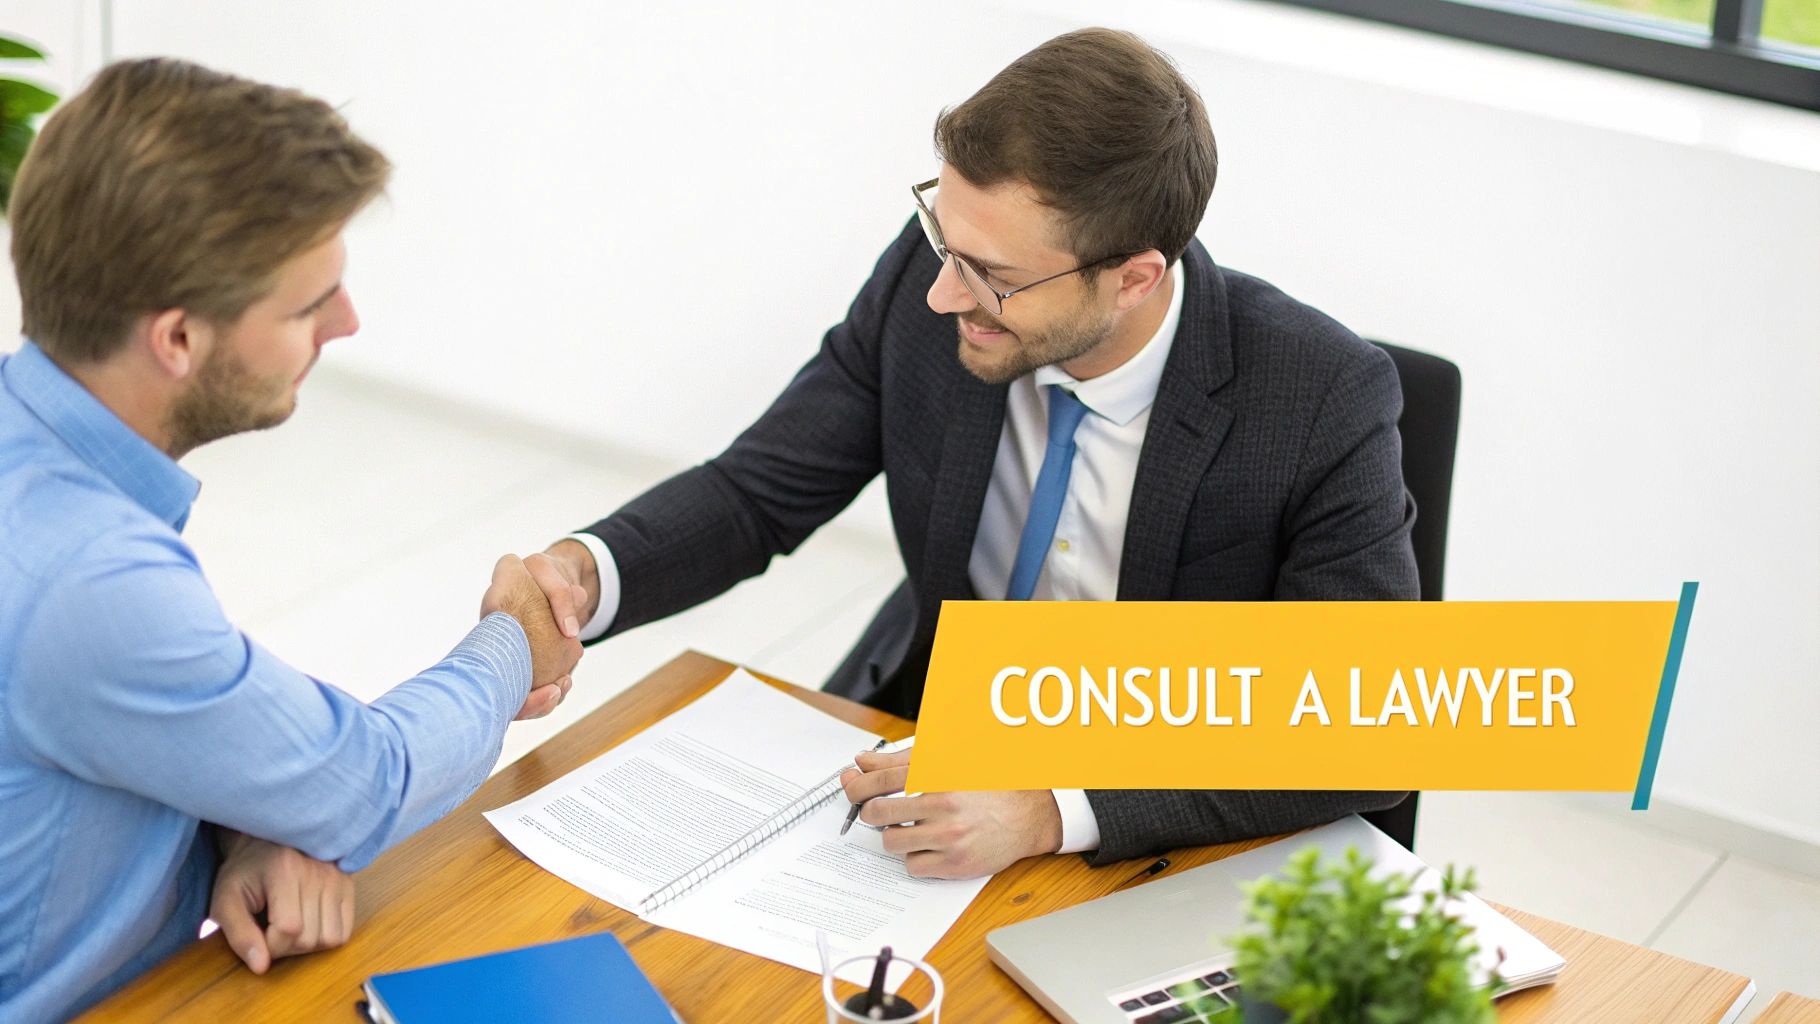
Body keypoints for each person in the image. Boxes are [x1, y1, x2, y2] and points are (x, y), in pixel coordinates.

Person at [527, 27, 1417, 881]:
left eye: (994, 275)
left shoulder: (1320, 395)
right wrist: (582, 575)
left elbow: (1361, 733)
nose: (947, 292)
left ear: (1135, 277)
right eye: (942, 238)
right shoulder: (937, 280)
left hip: (1162, 808)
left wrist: (1047, 808)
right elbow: (759, 492)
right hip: (923, 729)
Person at [0, 59, 584, 1021]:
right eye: (311, 304)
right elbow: (364, 782)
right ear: (178, 340)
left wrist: (247, 828)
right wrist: (516, 638)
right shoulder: (93, 578)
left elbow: (136, 725)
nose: (348, 323)